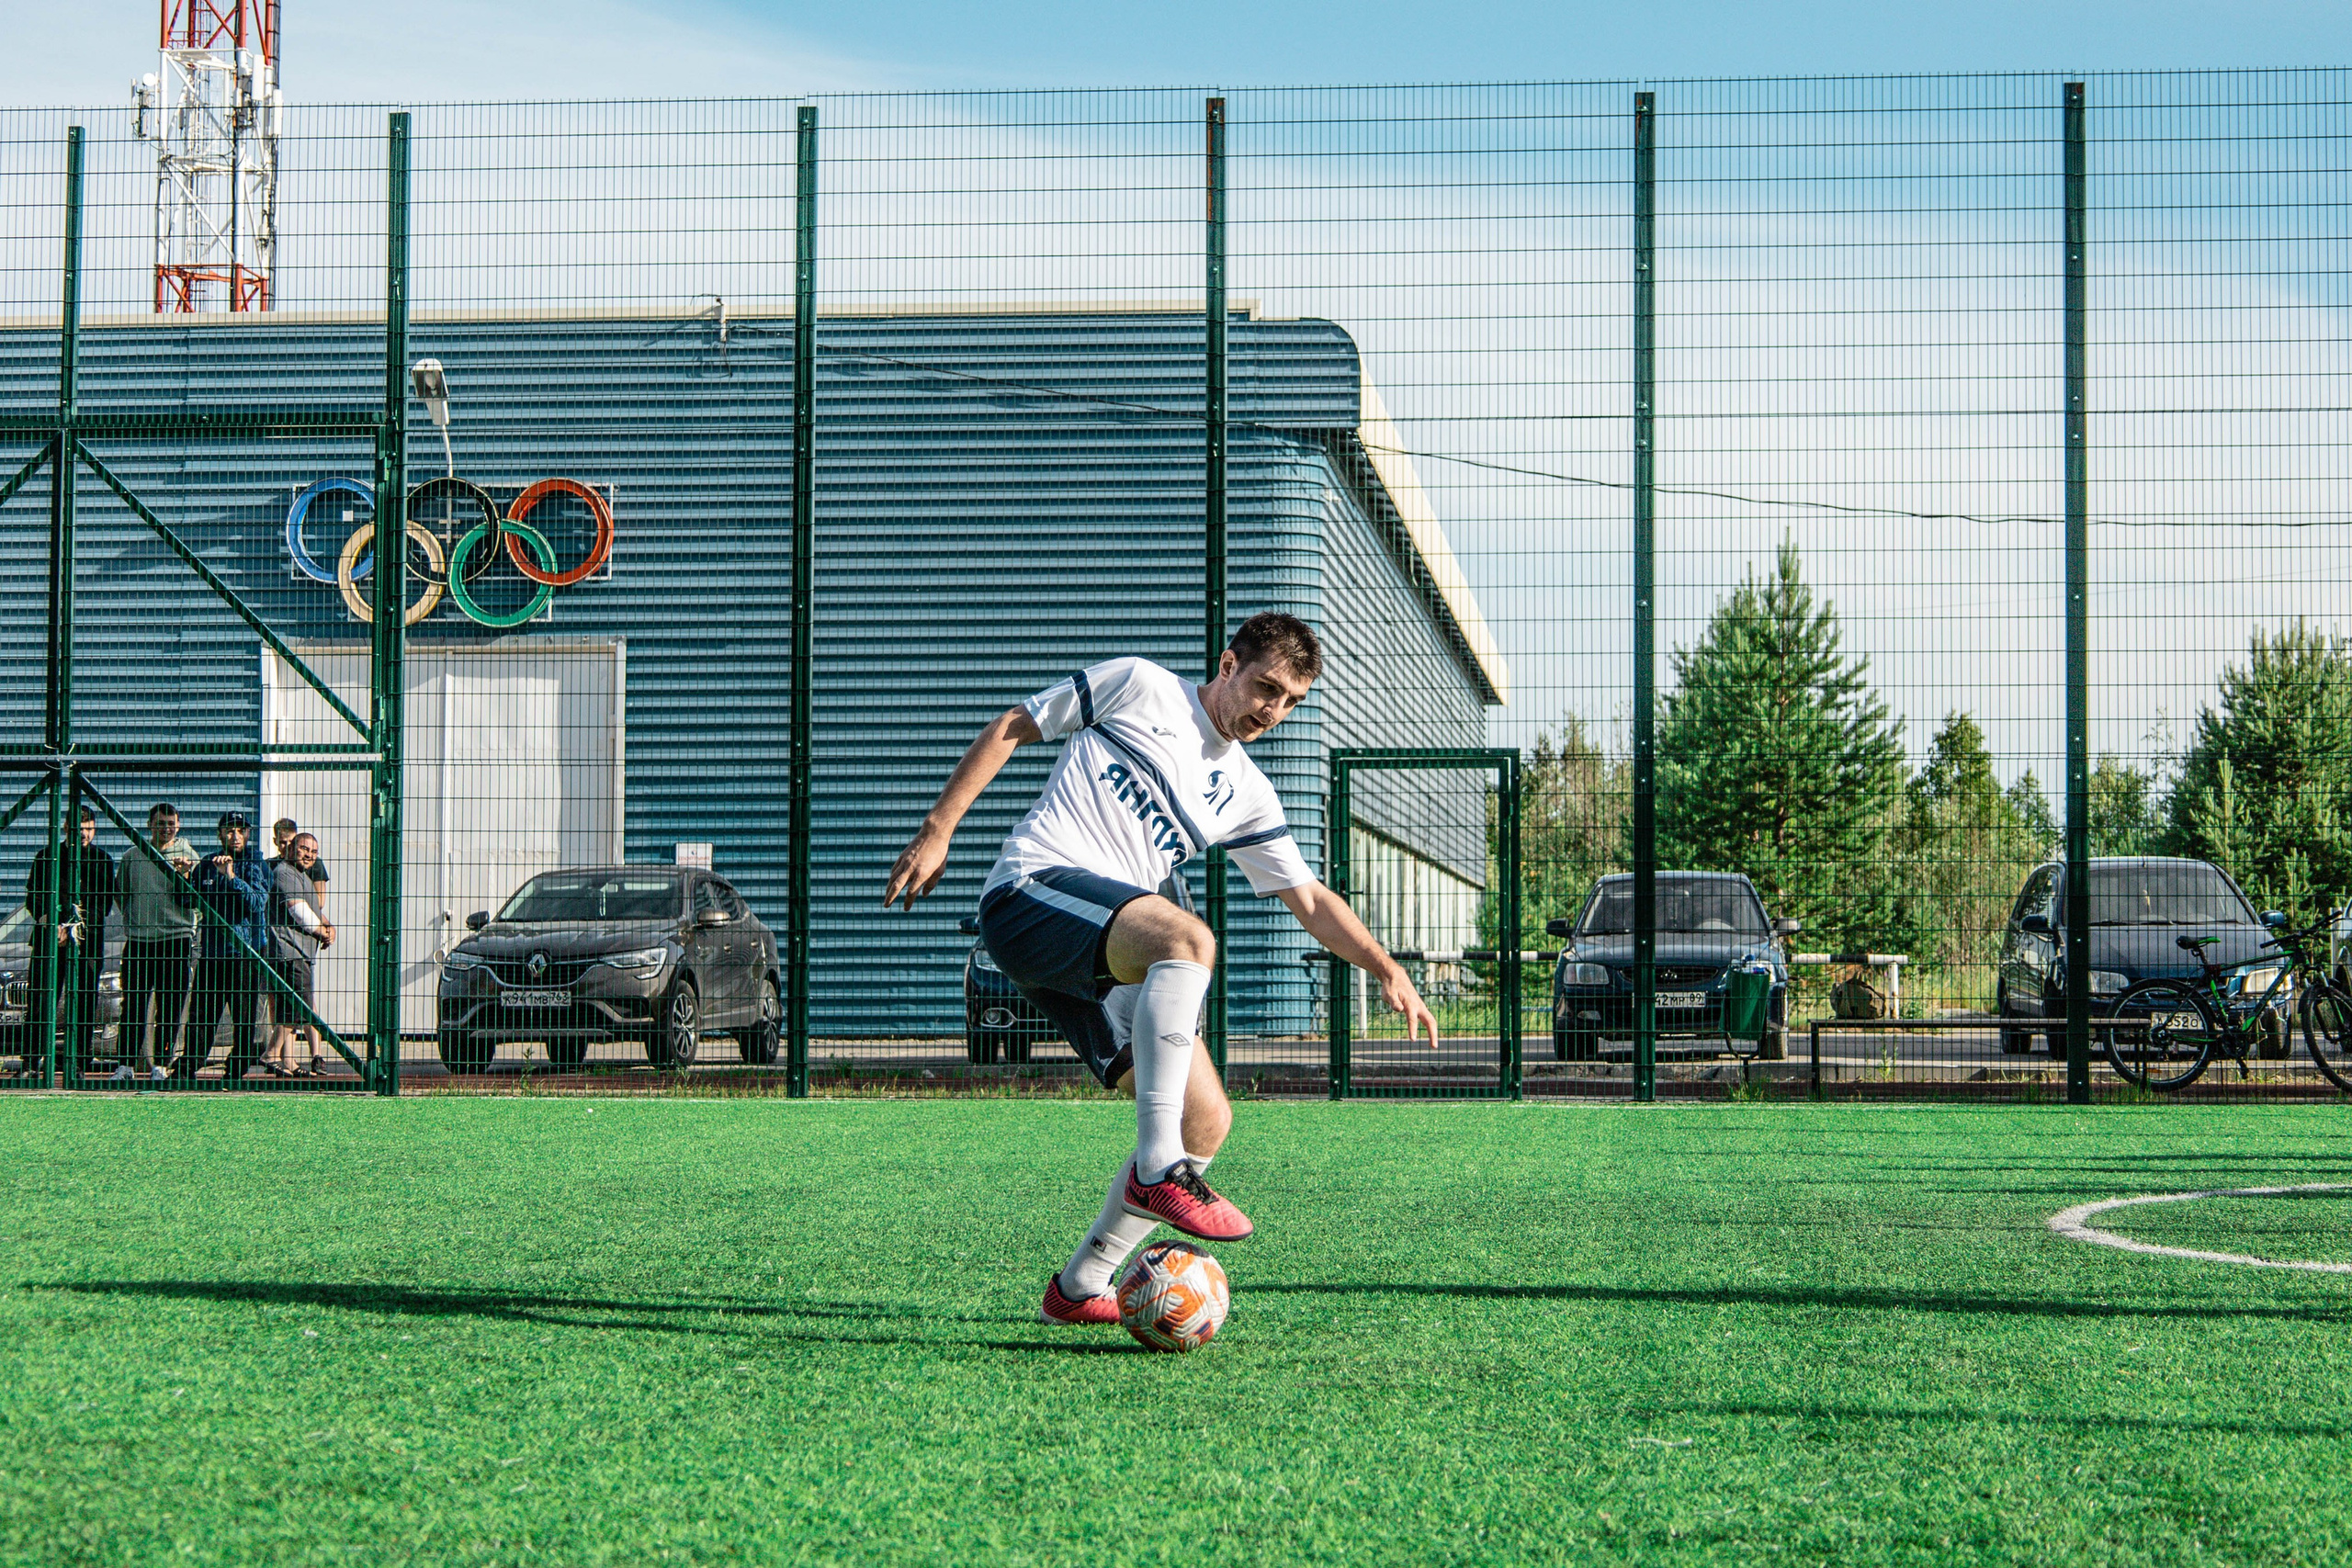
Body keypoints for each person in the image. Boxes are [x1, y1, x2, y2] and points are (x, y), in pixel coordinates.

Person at [882, 612, 1439, 1326]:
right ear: (1228, 662)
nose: (1273, 709)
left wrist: (1384, 965)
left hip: (1101, 957)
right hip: (1030, 895)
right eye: (1266, 686)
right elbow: (1015, 724)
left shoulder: (1246, 790)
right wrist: (938, 828)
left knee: (1206, 1119)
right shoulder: (1140, 685)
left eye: (1291, 701)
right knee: (1189, 939)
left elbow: (1308, 896)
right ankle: (1155, 1170)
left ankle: (1080, 1285)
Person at [25, 807, 117, 1079]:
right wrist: (53, 923)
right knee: (42, 1000)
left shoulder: (102, 860)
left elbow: (103, 904)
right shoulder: (47, 857)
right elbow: (35, 895)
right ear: (65, 828)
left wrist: (73, 926)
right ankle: (32, 1060)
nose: (84, 833)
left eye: (88, 828)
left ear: (95, 830)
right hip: (48, 940)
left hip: (87, 942)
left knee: (85, 1000)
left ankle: (77, 1061)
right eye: (78, 828)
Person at [114, 803, 199, 1083]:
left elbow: (195, 900)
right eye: (160, 823)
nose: (165, 828)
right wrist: (136, 919)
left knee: (171, 1006)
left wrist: (185, 874)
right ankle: (125, 1065)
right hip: (139, 939)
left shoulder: (189, 856)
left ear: (179, 825)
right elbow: (121, 893)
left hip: (175, 939)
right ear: (150, 825)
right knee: (134, 1005)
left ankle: (161, 1065)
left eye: (170, 823)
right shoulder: (132, 856)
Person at [184, 811, 268, 1083]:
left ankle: (235, 1071)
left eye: (240, 830)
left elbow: (256, 904)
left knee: (245, 1019)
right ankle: (185, 1070)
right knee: (201, 1017)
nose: (235, 836)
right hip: (212, 952)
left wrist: (231, 877)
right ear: (220, 834)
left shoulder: (255, 862)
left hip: (246, 953)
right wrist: (183, 875)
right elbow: (187, 901)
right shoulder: (207, 864)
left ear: (247, 833)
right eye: (229, 830)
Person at [264, 833, 332, 1078]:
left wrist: (328, 927)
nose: (309, 855)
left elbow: (313, 911)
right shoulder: (284, 873)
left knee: (292, 1007)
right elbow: (299, 912)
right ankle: (271, 1053)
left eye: (314, 852)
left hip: (299, 951)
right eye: (304, 849)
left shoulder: (302, 875)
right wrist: (321, 932)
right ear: (291, 848)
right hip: (288, 951)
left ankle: (287, 1061)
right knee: (298, 1006)